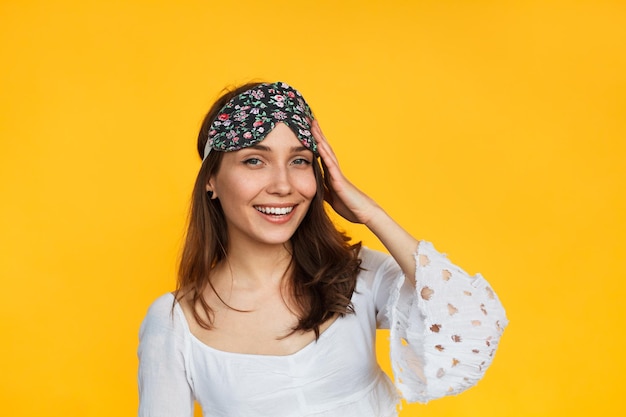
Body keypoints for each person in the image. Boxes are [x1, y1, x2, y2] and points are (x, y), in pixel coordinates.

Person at [137, 81, 507, 417]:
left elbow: (475, 324)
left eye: (299, 160)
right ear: (211, 181)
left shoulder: (356, 275)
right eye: (254, 160)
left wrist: (372, 213)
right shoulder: (173, 323)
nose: (283, 185)